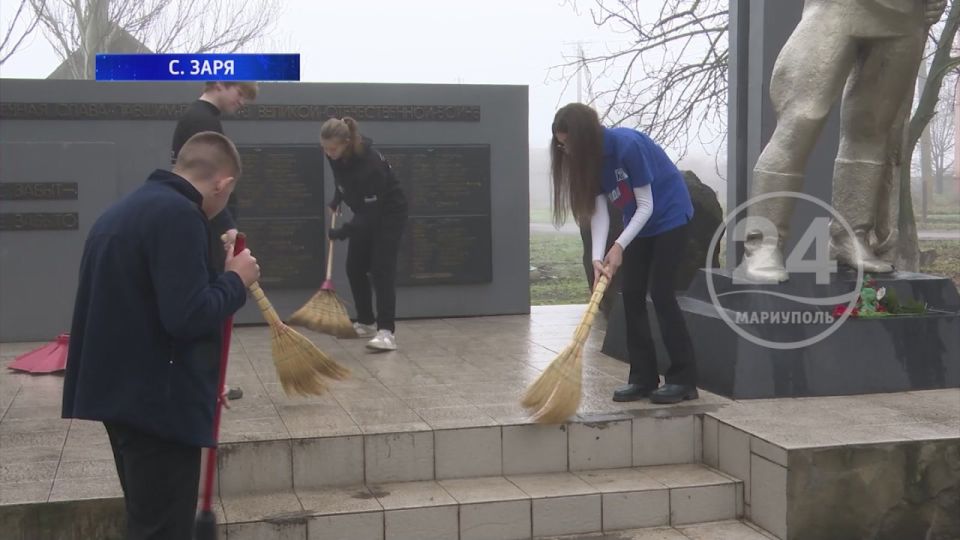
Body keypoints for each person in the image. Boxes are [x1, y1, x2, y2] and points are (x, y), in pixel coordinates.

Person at [61, 132, 260, 539]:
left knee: (147, 522)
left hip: (124, 400)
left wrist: (199, 379)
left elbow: (146, 313)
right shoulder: (180, 216)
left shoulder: (124, 211)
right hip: (157, 413)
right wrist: (235, 281)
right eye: (229, 193)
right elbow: (187, 315)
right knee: (163, 530)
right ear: (222, 183)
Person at [740, 0, 945, 282]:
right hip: (836, 7)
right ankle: (762, 244)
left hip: (905, 16)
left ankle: (849, 236)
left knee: (873, 128)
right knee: (800, 121)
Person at [550, 103, 697, 404]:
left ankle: (683, 380)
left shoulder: (626, 145)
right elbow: (601, 211)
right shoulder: (592, 161)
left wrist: (618, 247)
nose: (567, 151)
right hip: (639, 224)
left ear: (584, 136)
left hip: (669, 216)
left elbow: (647, 205)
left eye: (568, 144)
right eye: (561, 146)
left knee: (661, 293)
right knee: (630, 295)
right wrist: (597, 257)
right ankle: (643, 377)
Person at [172, 81, 258, 400]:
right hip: (209, 227)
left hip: (208, 225)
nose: (242, 102)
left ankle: (208, 381)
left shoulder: (197, 118)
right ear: (220, 84)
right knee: (208, 304)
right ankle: (209, 383)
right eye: (240, 93)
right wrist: (227, 225)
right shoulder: (203, 122)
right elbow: (209, 184)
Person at [320, 117, 408, 351]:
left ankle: (386, 332)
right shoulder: (335, 156)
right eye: (325, 148)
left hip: (389, 214)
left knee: (381, 270)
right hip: (365, 211)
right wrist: (337, 199)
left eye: (333, 149)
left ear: (347, 143)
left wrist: (342, 232)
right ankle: (367, 322)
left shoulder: (370, 165)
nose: (329, 153)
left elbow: (370, 214)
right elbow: (342, 180)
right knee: (355, 267)